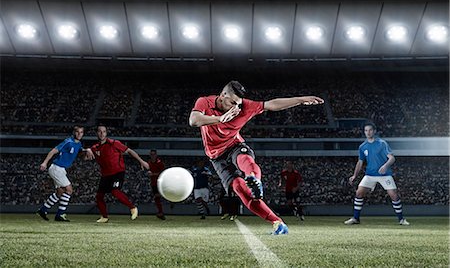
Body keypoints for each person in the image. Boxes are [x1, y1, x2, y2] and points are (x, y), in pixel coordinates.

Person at [189, 80, 323, 235]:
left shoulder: (245, 107)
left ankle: (255, 180)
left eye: (238, 104)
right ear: (222, 95)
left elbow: (272, 104)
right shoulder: (205, 102)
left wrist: (300, 100)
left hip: (234, 145)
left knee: (245, 160)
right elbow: (194, 120)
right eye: (232, 102)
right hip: (216, 158)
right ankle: (278, 223)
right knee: (240, 188)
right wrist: (219, 119)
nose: (235, 107)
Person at [344, 122, 410, 226]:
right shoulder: (362, 146)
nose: (368, 132)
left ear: (374, 131)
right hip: (370, 175)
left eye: (370, 130)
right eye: (366, 130)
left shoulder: (382, 143)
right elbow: (360, 162)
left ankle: (401, 219)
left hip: (384, 174)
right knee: (359, 193)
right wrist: (354, 175)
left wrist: (385, 166)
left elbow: (392, 158)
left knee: (393, 195)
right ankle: (355, 218)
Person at [86, 125, 149, 223]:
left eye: (104, 131)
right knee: (99, 196)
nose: (102, 133)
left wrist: (141, 161)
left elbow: (129, 151)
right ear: (97, 133)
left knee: (115, 191)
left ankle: (133, 208)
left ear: (106, 133)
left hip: (117, 172)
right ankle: (104, 217)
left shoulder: (114, 143)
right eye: (100, 131)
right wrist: (87, 149)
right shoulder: (95, 148)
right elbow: (85, 157)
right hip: (105, 175)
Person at [36, 126, 87, 222]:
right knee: (69, 190)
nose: (79, 134)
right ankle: (60, 214)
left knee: (60, 192)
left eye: (81, 132)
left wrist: (86, 152)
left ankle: (43, 210)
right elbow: (53, 151)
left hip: (61, 169)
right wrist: (45, 162)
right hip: (56, 168)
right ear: (74, 132)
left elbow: (80, 153)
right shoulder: (68, 142)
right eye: (77, 132)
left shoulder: (79, 144)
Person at [148, 149, 166, 220]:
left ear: (156, 155)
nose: (152, 156)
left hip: (160, 182)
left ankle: (161, 212)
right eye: (151, 154)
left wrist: (153, 174)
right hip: (153, 183)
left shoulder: (159, 163)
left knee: (157, 196)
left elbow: (163, 173)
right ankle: (160, 212)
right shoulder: (149, 162)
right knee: (156, 198)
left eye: (153, 154)